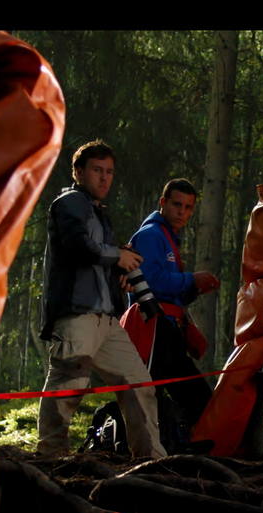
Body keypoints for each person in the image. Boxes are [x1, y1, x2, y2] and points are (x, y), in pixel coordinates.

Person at [36, 140, 167, 459]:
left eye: (109, 172)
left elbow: (97, 259)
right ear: (78, 172)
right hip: (76, 315)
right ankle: (50, 458)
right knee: (67, 387)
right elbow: (77, 246)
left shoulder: (98, 212)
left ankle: (151, 461)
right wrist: (117, 256)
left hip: (108, 320)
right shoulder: (69, 203)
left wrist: (118, 273)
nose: (105, 178)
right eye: (97, 170)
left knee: (139, 384)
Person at [121, 178, 219, 451]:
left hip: (168, 330)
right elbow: (148, 280)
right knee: (175, 395)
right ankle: (156, 453)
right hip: (154, 330)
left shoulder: (166, 238)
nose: (182, 212)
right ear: (162, 203)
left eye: (188, 207)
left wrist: (193, 289)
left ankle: (178, 450)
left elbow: (169, 290)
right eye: (177, 205)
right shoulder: (151, 235)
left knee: (189, 397)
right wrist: (191, 280)